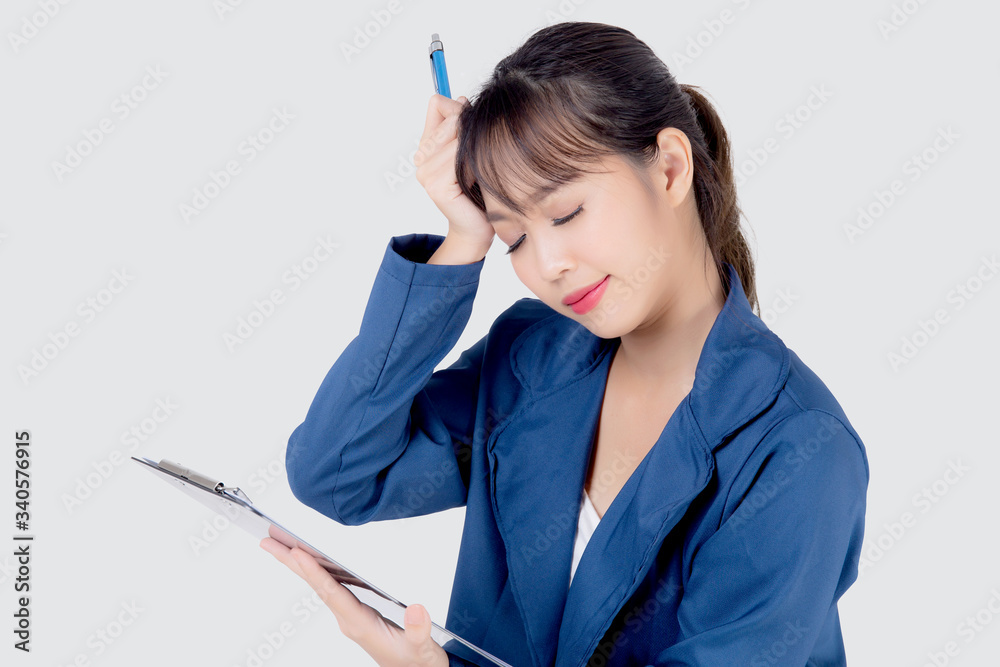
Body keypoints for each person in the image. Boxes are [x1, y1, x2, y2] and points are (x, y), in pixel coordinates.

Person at [260, 21, 869, 667]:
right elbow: (339, 471)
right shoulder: (532, 356)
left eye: (566, 212)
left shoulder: (799, 448)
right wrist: (462, 239)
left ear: (669, 168)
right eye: (515, 238)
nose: (547, 263)